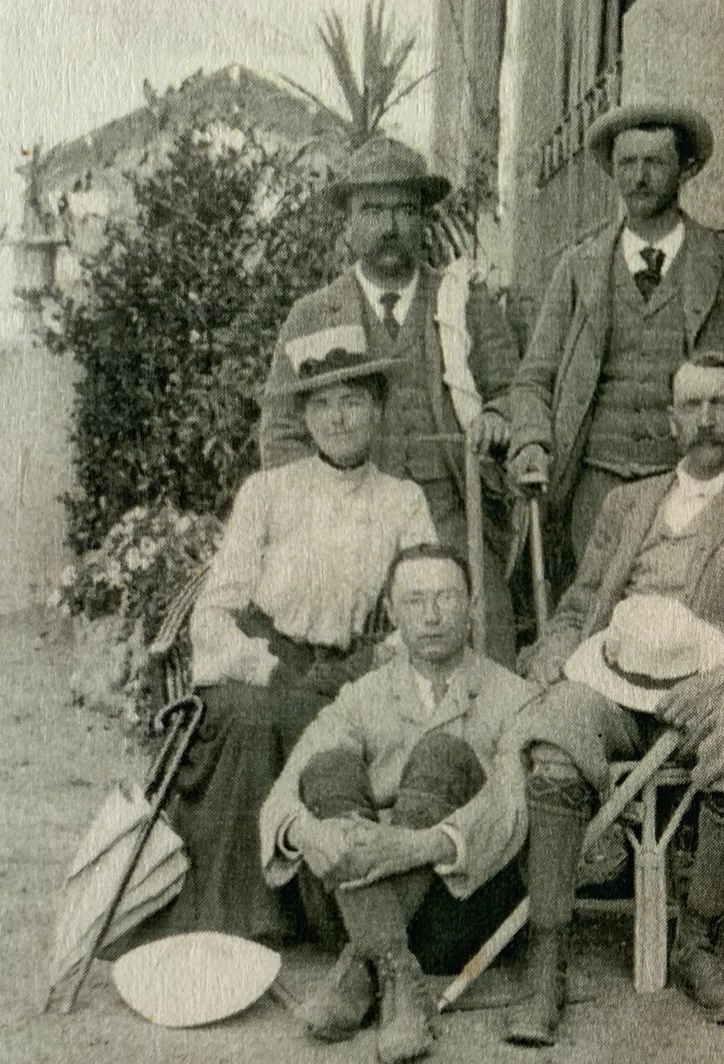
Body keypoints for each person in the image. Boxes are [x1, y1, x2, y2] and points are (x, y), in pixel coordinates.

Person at [368, 353, 724, 1046]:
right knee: (556, 728)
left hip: (715, 684)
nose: (706, 420)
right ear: (671, 419)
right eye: (692, 406)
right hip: (613, 677)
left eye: (721, 405)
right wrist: (554, 653)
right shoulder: (628, 504)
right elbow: (581, 604)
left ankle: (698, 944)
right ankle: (548, 957)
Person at [155, 338, 437, 947]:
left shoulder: (403, 501)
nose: (338, 418)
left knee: (349, 733)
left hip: (354, 669)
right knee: (256, 718)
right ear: (305, 416)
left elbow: (421, 610)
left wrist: (363, 667)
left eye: (352, 402)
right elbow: (212, 615)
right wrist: (267, 669)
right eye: (323, 404)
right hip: (265, 664)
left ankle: (336, 923)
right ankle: (241, 922)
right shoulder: (268, 492)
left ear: (377, 409)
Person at [487, 100, 724, 565]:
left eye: (654, 163)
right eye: (627, 163)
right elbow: (535, 378)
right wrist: (532, 440)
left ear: (685, 170)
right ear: (612, 172)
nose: (639, 176)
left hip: (697, 477)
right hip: (597, 484)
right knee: (598, 615)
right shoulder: (578, 268)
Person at [260, 544, 537, 1063]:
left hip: (457, 911)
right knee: (327, 767)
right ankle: (396, 974)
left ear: (472, 605)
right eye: (414, 601)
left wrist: (413, 847)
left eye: (446, 598)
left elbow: (511, 808)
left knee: (445, 756)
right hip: (358, 903)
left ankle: (361, 970)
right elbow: (284, 793)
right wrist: (306, 833)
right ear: (392, 611)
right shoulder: (363, 695)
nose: (431, 616)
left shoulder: (512, 696)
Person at [260, 134, 521, 665]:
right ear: (349, 223)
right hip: (350, 515)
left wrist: (495, 415)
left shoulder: (463, 302)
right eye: (372, 210)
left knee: (487, 640)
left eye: (405, 209)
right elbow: (281, 433)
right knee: (342, 658)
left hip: (450, 509)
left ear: (424, 220)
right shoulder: (315, 314)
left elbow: (513, 392)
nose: (389, 226)